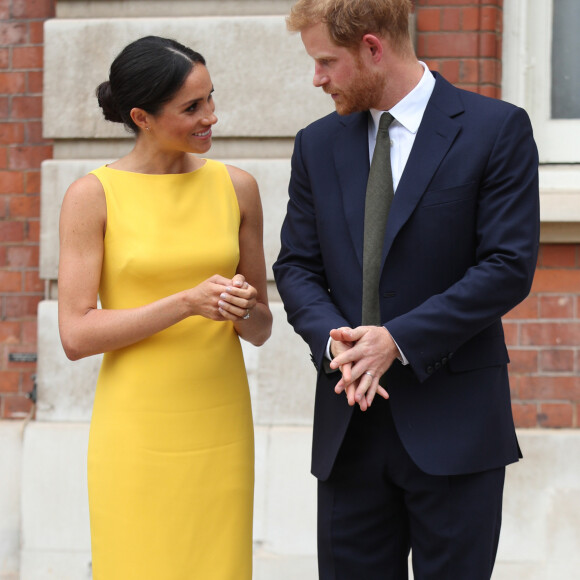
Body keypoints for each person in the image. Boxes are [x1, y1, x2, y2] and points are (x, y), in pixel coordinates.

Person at [273, 1, 539, 579]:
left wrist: (397, 339)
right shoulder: (316, 145)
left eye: (325, 61)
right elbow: (295, 266)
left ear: (373, 48)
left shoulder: (496, 129)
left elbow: (507, 266)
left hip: (456, 428)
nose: (315, 78)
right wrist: (334, 341)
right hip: (350, 429)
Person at [58, 35, 272, 580]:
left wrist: (243, 307)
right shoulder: (92, 195)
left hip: (219, 425)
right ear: (141, 116)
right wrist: (186, 302)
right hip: (135, 429)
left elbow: (261, 328)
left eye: (210, 99)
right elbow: (76, 335)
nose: (211, 118)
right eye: (192, 107)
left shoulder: (237, 188)